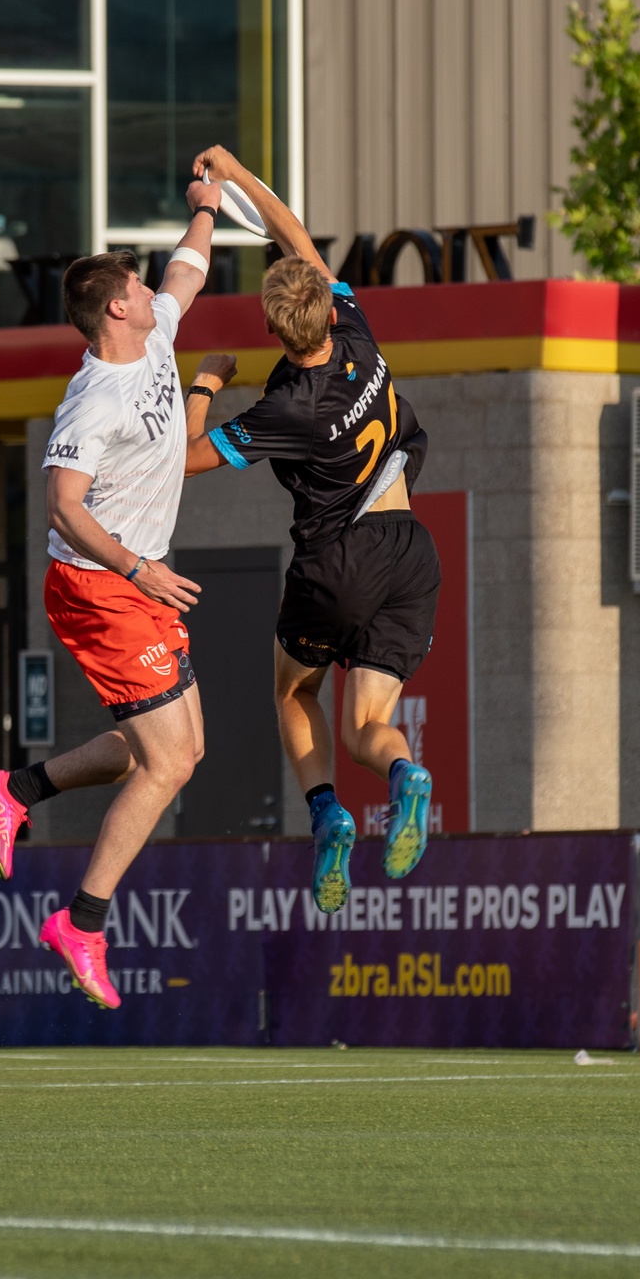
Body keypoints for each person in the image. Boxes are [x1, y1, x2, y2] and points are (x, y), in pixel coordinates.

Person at [0, 175, 236, 1010]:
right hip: (100, 586)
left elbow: (188, 269)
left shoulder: (155, 336)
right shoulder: (91, 401)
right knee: (166, 763)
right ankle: (82, 922)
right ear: (114, 310)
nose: (152, 290)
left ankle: (14, 790)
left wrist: (209, 199)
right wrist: (137, 569)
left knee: (174, 753)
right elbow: (63, 506)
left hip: (137, 585)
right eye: (135, 286)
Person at [183, 144, 440, 916]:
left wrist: (204, 384)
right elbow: (293, 235)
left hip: (338, 563)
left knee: (293, 691)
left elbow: (186, 463)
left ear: (275, 328)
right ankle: (406, 779)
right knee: (371, 725)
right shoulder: (359, 333)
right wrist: (235, 170)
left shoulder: (284, 408)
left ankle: (327, 813)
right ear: (329, 307)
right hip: (410, 554)